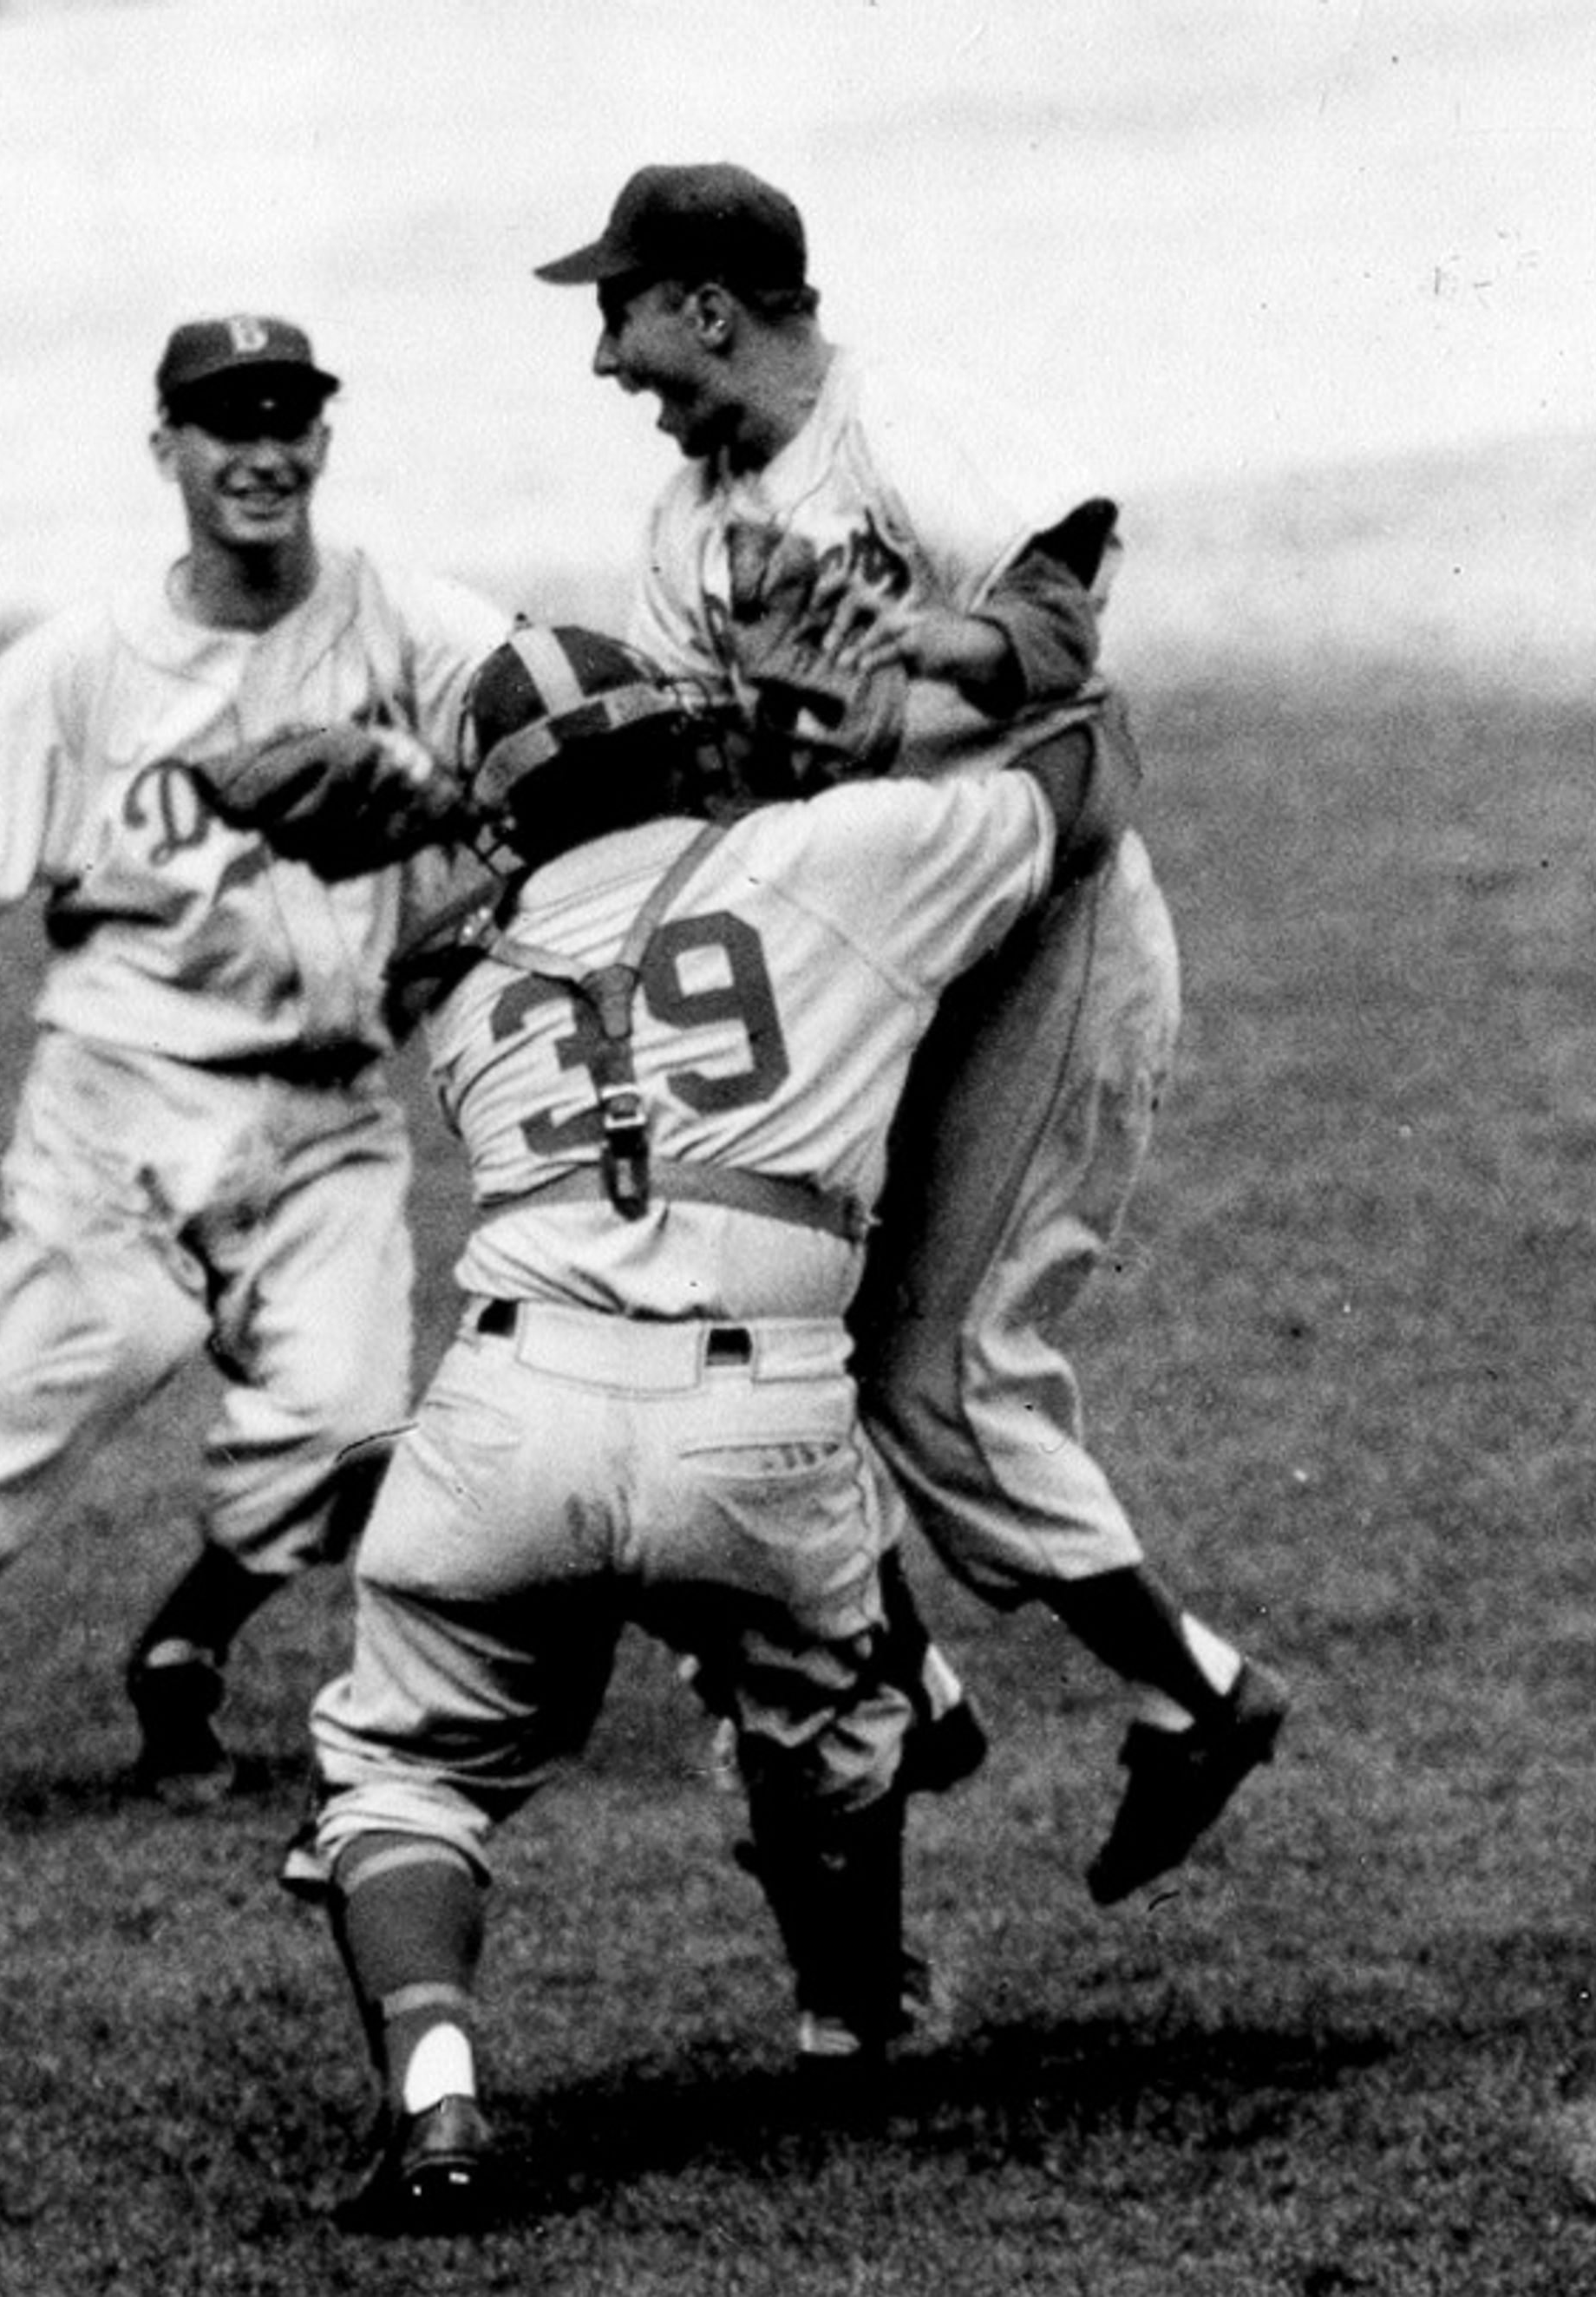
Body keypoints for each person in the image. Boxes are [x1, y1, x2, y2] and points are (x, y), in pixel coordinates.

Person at [280, 623, 1141, 2230]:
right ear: (684, 746)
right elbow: (1086, 786)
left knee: (400, 1770)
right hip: (759, 1411)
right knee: (834, 1732)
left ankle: (439, 2097)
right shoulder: (835, 858)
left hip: (506, 1402)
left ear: (509, 813)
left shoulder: (465, 980)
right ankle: (850, 2012)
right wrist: (1015, 641)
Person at [533, 163, 1291, 1908]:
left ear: (708, 304)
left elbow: (1054, 629)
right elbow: (711, 769)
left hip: (1041, 934)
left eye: (619, 313)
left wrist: (914, 645)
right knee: (759, 1326)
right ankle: (914, 1684)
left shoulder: (900, 424)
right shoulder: (682, 524)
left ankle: (1203, 1695)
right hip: (878, 962)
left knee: (935, 1379)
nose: (606, 362)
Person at [0, 315, 513, 1859]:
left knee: (349, 1430)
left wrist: (452, 792)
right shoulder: (89, 662)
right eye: (227, 424)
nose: (262, 451)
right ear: (169, 452)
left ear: (325, 442)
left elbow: (541, 719)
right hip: (121, 1098)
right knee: (56, 1375)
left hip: (330, 1111)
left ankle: (185, 1639)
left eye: (290, 418)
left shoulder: (408, 622)